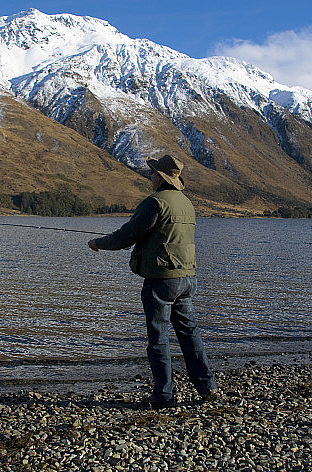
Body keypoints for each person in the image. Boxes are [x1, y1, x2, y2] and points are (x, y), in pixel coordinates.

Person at [88, 154, 218, 408]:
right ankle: (207, 386)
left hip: (161, 280)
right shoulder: (187, 203)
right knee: (189, 333)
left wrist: (98, 244)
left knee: (158, 336)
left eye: (152, 174)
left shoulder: (155, 203)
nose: (150, 177)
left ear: (159, 178)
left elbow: (126, 236)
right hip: (187, 277)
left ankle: (163, 395)